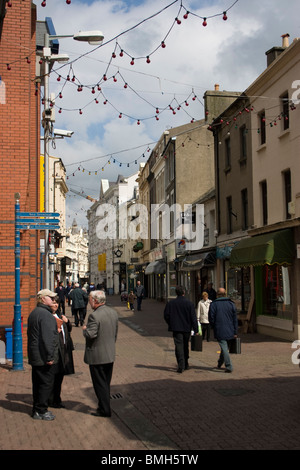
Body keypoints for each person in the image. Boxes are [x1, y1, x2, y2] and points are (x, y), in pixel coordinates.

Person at [82, 290, 118, 417]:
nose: (89, 302)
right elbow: (115, 334)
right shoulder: (113, 312)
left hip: (97, 355)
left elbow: (91, 334)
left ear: (95, 301)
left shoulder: (94, 316)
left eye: (90, 299)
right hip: (109, 354)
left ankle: (104, 409)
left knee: (99, 384)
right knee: (106, 383)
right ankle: (104, 406)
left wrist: (85, 330)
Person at [27, 289, 59, 420]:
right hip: (43, 357)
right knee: (46, 384)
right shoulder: (46, 315)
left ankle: (36, 410)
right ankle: (42, 410)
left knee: (37, 383)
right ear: (43, 299)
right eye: (51, 298)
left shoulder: (34, 313)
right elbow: (48, 338)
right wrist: (50, 356)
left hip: (35, 355)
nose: (53, 300)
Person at [164, 286, 199, 373]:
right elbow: (193, 318)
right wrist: (196, 329)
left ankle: (181, 364)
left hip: (176, 328)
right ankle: (185, 363)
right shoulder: (189, 303)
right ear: (184, 292)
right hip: (187, 328)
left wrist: (171, 323)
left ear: (176, 293)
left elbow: (166, 316)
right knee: (185, 345)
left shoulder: (171, 303)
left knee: (178, 346)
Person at [49, 297, 75, 408]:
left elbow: (68, 329)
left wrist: (67, 321)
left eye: (57, 303)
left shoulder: (60, 314)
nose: (56, 305)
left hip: (64, 349)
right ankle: (51, 400)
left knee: (60, 376)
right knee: (53, 377)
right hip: (56, 350)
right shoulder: (48, 317)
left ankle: (57, 399)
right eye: (53, 303)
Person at [208, 287, 238, 373]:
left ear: (217, 294)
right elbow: (235, 319)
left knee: (224, 347)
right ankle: (220, 363)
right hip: (230, 329)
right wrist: (235, 331)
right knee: (224, 347)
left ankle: (229, 366)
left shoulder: (214, 304)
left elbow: (211, 318)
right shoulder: (231, 304)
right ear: (225, 294)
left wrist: (214, 326)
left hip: (220, 329)